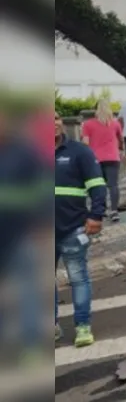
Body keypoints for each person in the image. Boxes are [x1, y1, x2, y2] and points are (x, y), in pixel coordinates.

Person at [55, 114, 107, 347]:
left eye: (56, 117)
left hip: (73, 228)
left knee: (78, 278)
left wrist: (96, 215)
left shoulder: (79, 152)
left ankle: (83, 326)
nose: (54, 122)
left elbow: (97, 185)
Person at [0, 110, 48, 361]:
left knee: (28, 290)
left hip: (20, 234)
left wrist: (41, 222)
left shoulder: (23, 153)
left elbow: (41, 188)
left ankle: (31, 346)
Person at [81, 98, 124, 222]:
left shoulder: (88, 124)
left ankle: (102, 209)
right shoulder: (115, 123)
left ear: (95, 110)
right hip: (113, 157)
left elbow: (85, 144)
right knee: (113, 185)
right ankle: (114, 211)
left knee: (98, 185)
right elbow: (120, 139)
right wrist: (120, 149)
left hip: (95, 159)